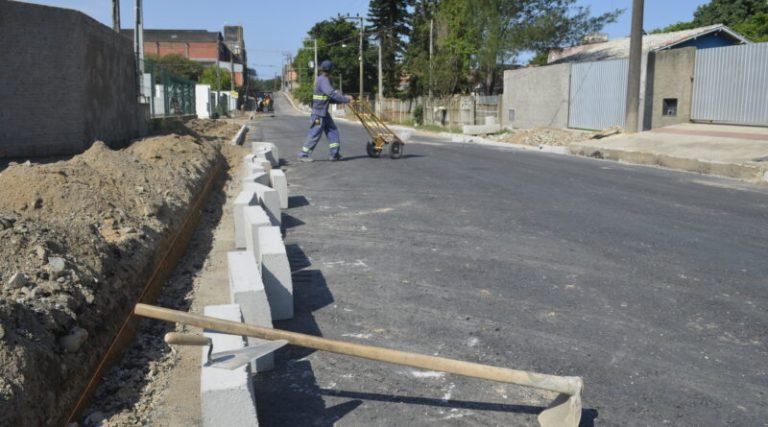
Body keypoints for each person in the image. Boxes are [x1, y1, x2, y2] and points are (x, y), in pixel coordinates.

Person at [298, 59, 353, 162]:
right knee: (315, 132)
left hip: (323, 113)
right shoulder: (323, 80)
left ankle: (334, 154)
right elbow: (331, 93)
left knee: (333, 131)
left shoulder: (323, 80)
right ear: (331, 70)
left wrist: (343, 100)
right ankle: (303, 154)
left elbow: (329, 98)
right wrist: (346, 99)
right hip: (318, 114)